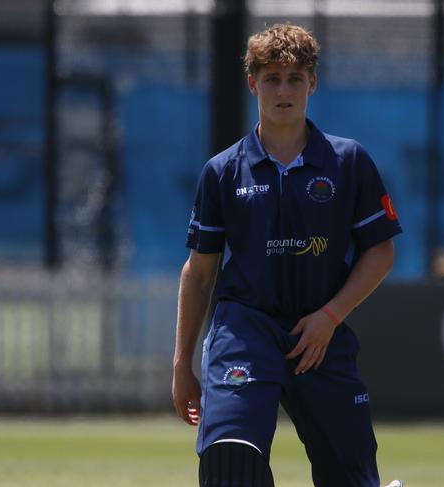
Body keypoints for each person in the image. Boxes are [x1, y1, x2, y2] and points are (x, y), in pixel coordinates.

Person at [172, 23, 403, 487]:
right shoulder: (221, 172)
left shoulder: (348, 161)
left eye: (295, 78)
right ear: (252, 82)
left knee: (351, 476)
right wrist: (182, 364)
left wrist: (331, 317)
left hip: (319, 334)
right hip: (246, 332)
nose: (284, 90)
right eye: (272, 78)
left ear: (312, 84)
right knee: (229, 464)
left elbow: (380, 251)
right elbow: (199, 275)